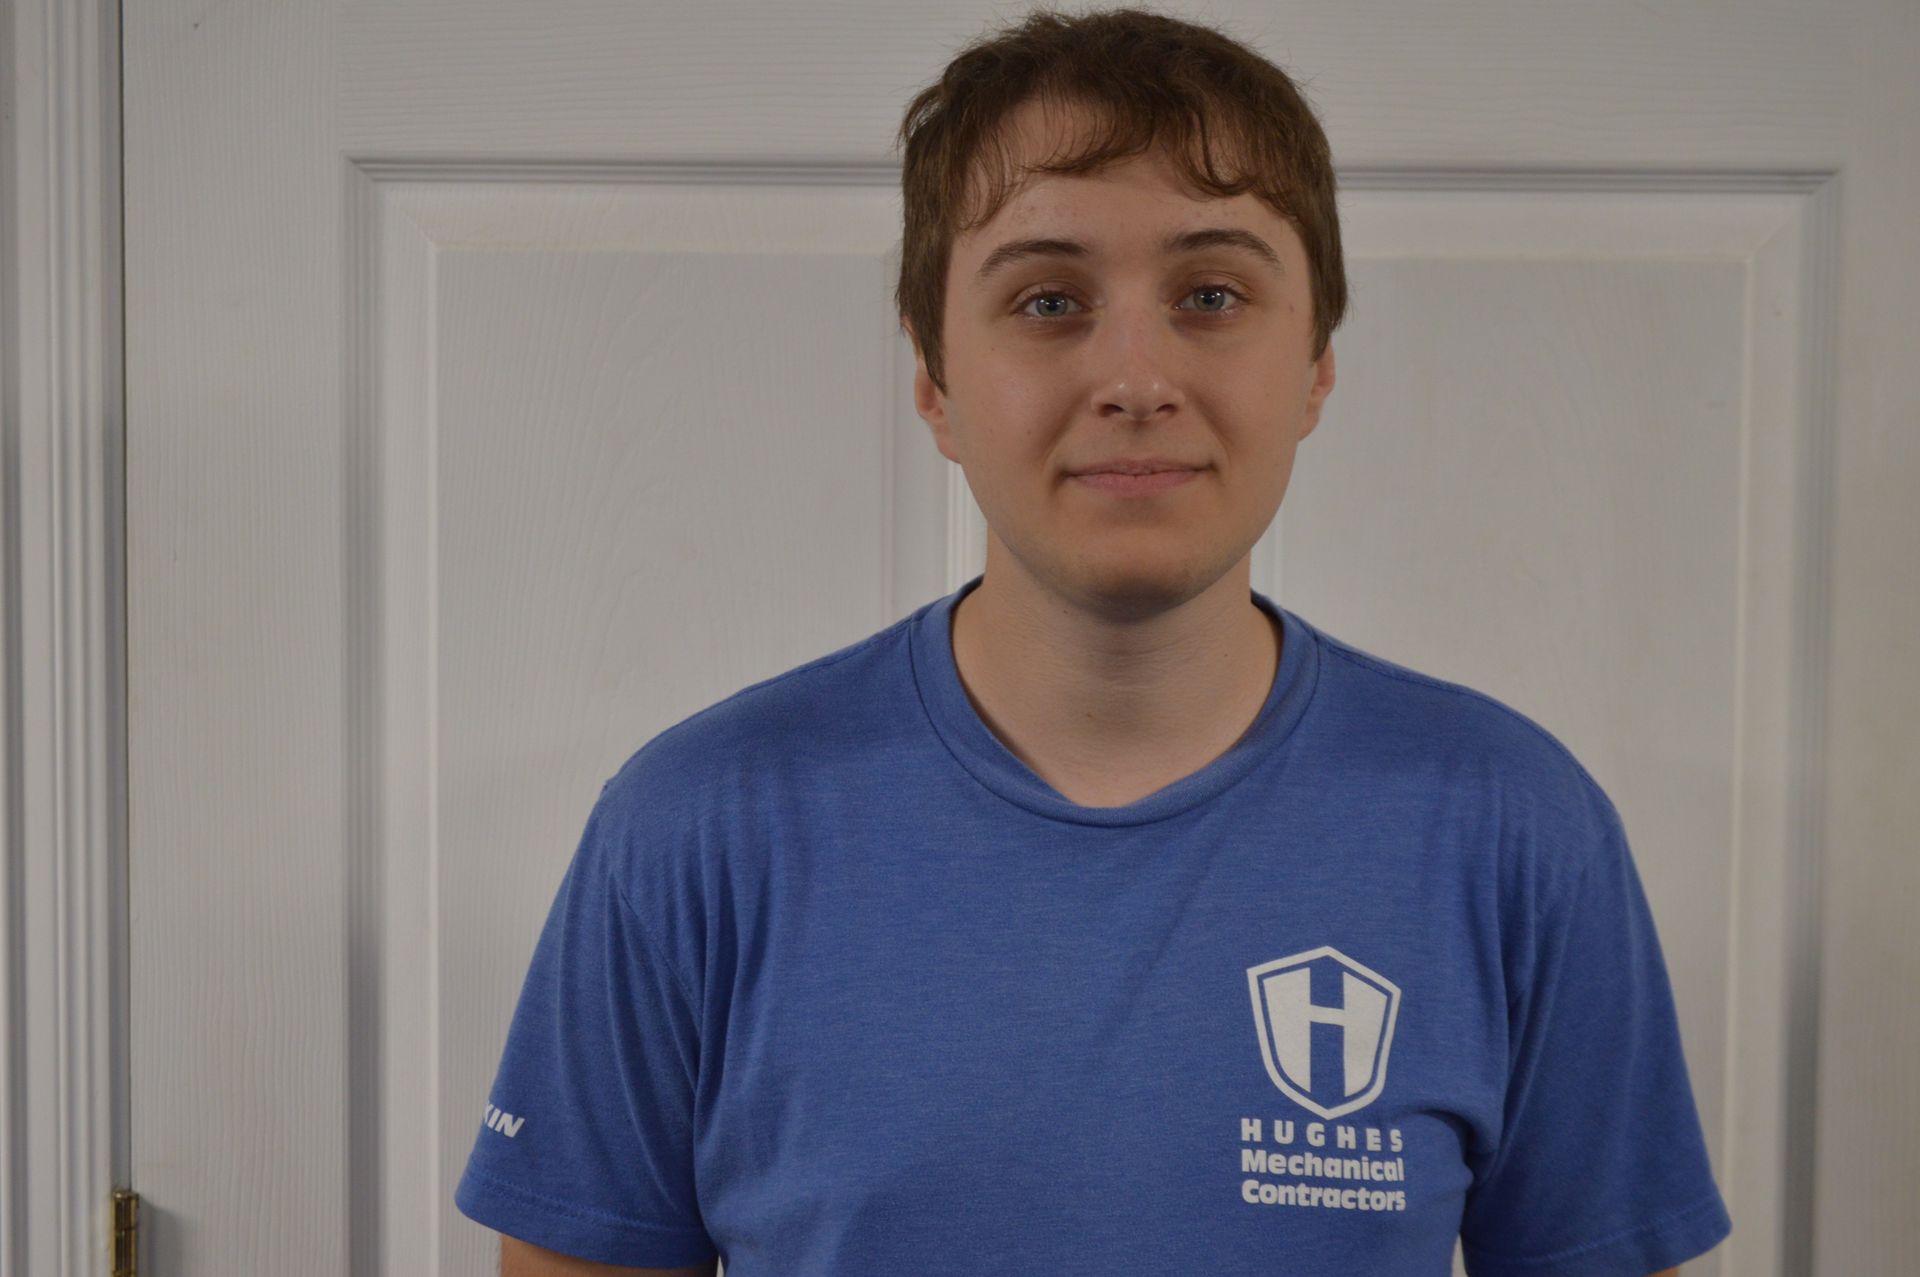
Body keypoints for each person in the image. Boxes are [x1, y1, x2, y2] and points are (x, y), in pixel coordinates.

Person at [454, 9, 1732, 1275]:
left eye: (1213, 294)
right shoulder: (698, 828)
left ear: (1317, 370)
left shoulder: (1512, 827)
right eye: (1050, 299)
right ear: (935, 381)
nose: (1134, 375)